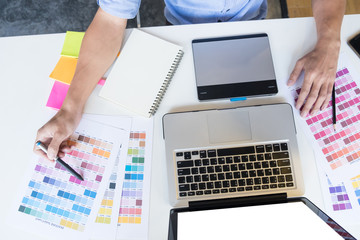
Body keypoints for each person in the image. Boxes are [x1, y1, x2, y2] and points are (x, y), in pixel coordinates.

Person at [34, 0, 346, 161]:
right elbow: (110, 21)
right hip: (183, 38)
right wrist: (69, 109)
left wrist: (330, 42)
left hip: (252, 33)